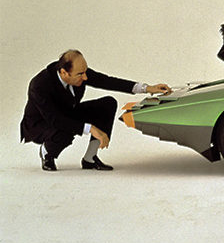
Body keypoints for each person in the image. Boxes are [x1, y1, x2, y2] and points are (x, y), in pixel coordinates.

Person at [20, 49, 172, 171]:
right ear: (64, 72)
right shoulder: (39, 85)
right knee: (65, 132)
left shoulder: (80, 72)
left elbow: (108, 81)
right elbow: (55, 120)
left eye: (85, 72)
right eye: (80, 74)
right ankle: (47, 152)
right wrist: (91, 129)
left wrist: (147, 88)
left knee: (108, 104)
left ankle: (90, 159)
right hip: (41, 124)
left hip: (67, 113)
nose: (85, 77)